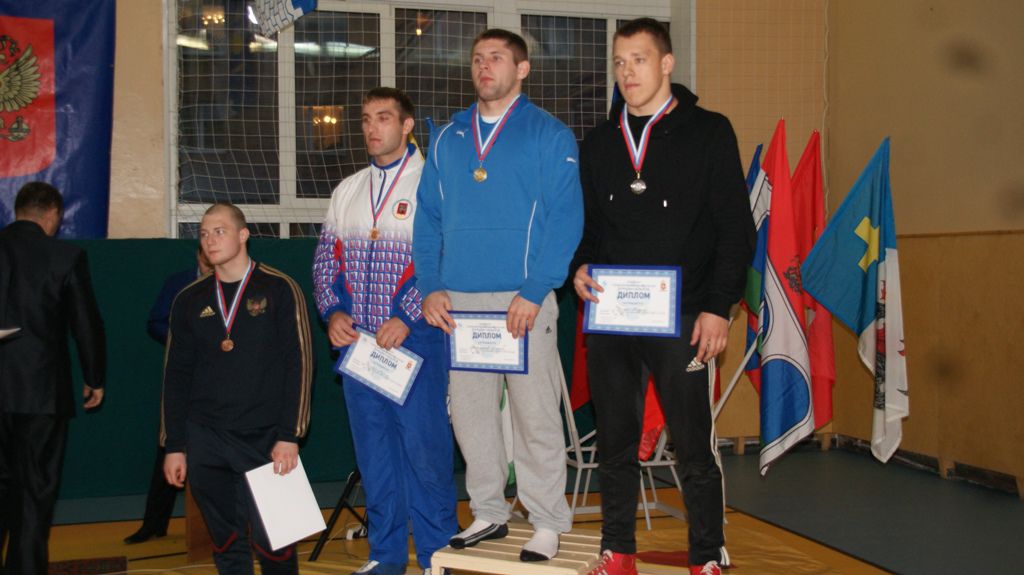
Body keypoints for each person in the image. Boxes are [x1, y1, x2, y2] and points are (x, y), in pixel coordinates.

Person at [571, 18, 756, 575]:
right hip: (612, 316)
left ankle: (707, 556)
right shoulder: (599, 142)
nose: (627, 72)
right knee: (615, 444)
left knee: (693, 447)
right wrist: (579, 267)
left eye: (640, 60)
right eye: (619, 62)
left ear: (667, 63)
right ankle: (618, 552)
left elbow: (735, 229)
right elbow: (589, 229)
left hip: (685, 315)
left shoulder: (709, 131)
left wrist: (718, 306)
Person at [413, 28, 582, 563]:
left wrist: (535, 290)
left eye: (497, 58)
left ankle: (547, 519)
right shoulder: (448, 138)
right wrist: (430, 286)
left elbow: (566, 219)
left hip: (522, 300)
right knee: (470, 415)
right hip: (460, 302)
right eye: (477, 59)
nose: (484, 67)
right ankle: (488, 511)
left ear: (522, 69)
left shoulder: (549, 134)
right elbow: (427, 220)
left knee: (535, 415)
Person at [312, 87, 458, 575]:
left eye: (384, 117)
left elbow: (445, 258)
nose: (372, 128)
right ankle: (385, 555)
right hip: (360, 348)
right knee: (375, 457)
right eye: (366, 119)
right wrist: (334, 312)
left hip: (416, 341)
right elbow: (324, 261)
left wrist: (408, 315)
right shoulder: (347, 190)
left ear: (407, 124)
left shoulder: (433, 184)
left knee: (425, 453)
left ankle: (436, 556)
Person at [161, 202, 313, 575]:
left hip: (266, 437)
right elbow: (175, 376)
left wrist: (290, 434)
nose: (210, 240)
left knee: (277, 543)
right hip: (206, 436)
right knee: (226, 542)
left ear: (243, 235)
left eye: (220, 231)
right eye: (204, 234)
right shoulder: (189, 299)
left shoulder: (279, 288)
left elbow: (299, 364)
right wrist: (174, 445)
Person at [0, 182, 106, 575]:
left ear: (17, 211)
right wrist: (94, 377)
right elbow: (85, 324)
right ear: (53, 216)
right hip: (42, 393)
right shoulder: (65, 256)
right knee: (34, 493)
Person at [123, 248, 212, 545]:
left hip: (221, 377)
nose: (210, 260)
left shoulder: (232, 284)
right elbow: (155, 321)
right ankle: (153, 523)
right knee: (170, 446)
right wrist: (181, 340)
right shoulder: (178, 282)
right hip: (184, 372)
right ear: (198, 256)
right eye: (204, 256)